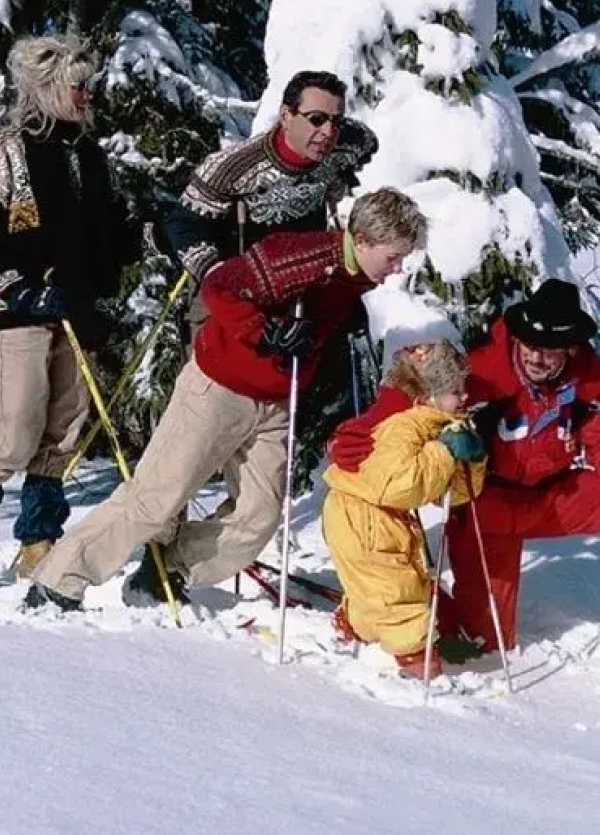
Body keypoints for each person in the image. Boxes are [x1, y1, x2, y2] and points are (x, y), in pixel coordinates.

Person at [23, 187, 427, 612]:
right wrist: (264, 332)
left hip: (273, 405)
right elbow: (220, 287)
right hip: (219, 388)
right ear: (362, 239)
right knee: (155, 500)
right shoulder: (297, 256)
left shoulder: (354, 276)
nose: (396, 269)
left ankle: (168, 570)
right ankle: (57, 582)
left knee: (259, 517)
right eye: (392, 257)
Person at [330, 279, 600, 682]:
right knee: (485, 645)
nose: (537, 358)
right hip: (485, 507)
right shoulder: (484, 371)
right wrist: (360, 431)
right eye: (530, 346)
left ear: (570, 349)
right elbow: (415, 393)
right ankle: (388, 614)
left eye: (550, 351)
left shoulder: (588, 380)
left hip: (551, 498)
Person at [0, 35, 138, 583]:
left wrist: (144, 236)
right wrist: (15, 286)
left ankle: (39, 542)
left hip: (77, 310)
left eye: (90, 86)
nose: (88, 95)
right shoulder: (5, 146)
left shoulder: (90, 155)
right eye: (80, 86)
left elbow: (111, 233)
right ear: (47, 88)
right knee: (18, 432)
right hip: (21, 310)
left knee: (63, 436)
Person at [320, 340, 486, 680]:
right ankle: (417, 662)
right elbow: (396, 485)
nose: (465, 398)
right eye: (455, 391)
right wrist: (442, 452)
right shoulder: (403, 428)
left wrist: (473, 459)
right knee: (395, 594)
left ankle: (356, 622)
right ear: (428, 397)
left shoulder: (436, 425)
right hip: (363, 517)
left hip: (381, 518)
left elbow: (453, 494)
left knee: (395, 585)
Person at [165, 70, 378, 302]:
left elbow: (367, 144)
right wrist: (217, 273)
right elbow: (183, 223)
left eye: (336, 121)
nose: (328, 132)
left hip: (310, 276)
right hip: (246, 284)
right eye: (316, 119)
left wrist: (341, 179)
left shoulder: (346, 142)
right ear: (286, 116)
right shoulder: (231, 167)